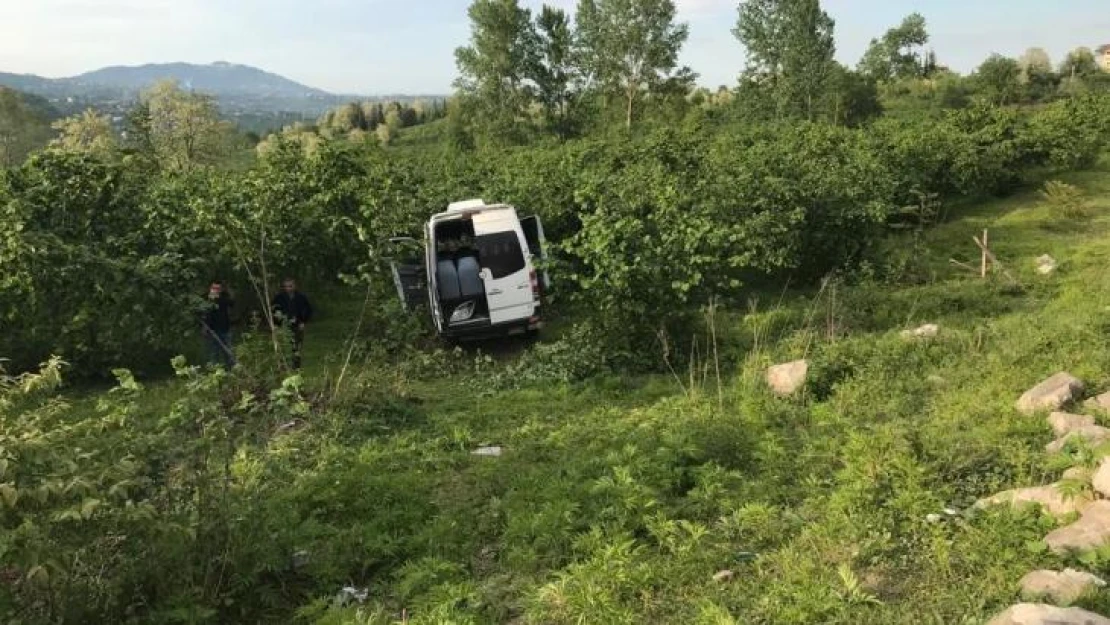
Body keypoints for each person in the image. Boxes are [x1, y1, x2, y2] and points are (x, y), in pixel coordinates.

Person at [271, 277, 313, 369]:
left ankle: (296, 367)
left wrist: (303, 322)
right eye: (286, 286)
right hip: (283, 325)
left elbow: (308, 310)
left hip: (297, 325)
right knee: (283, 346)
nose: (288, 288)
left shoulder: (301, 297)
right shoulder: (279, 297)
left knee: (297, 346)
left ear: (295, 286)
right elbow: (274, 310)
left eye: (290, 286)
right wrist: (276, 324)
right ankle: (283, 366)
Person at [200, 280, 235, 369]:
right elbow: (205, 313)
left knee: (228, 351)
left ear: (221, 289)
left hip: (225, 328)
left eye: (217, 289)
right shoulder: (206, 299)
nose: (215, 290)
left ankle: (231, 369)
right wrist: (204, 328)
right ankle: (214, 371)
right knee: (213, 353)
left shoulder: (224, 298)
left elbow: (232, 303)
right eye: (213, 288)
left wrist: (225, 293)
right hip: (212, 330)